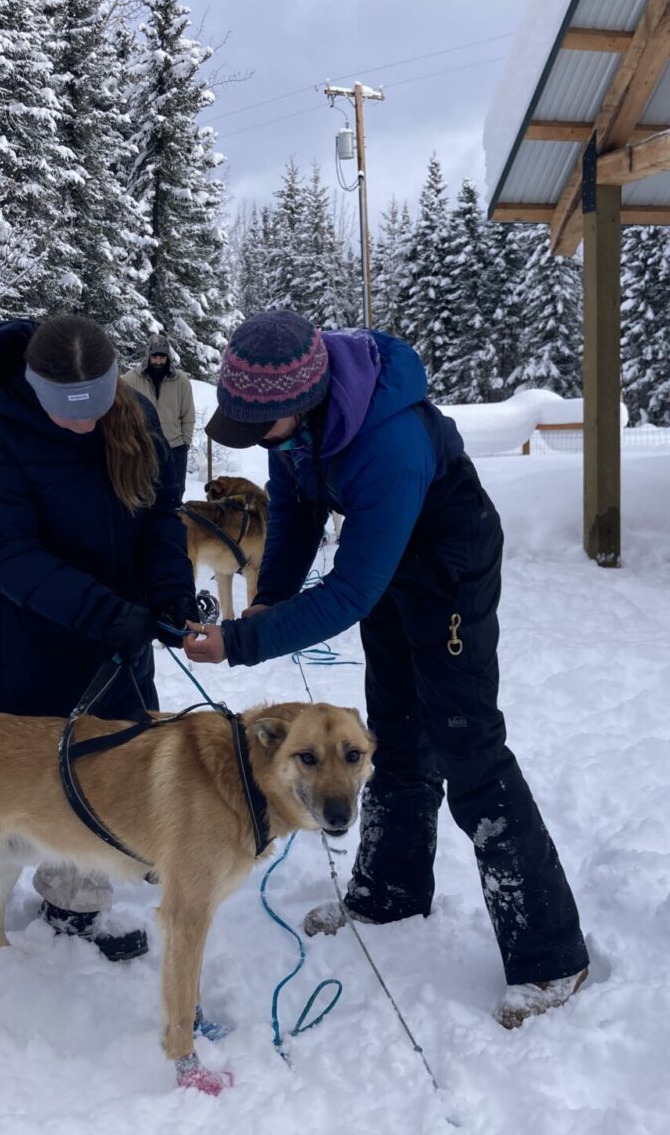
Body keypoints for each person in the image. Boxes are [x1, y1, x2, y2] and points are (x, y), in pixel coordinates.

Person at [184, 310, 589, 1027]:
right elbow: (300, 512)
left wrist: (247, 643)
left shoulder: (389, 443)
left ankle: (552, 956)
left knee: (469, 748)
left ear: (300, 402)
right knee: (395, 732)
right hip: (391, 564)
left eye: (259, 426)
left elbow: (349, 592)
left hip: (448, 568)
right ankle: (389, 892)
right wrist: (269, 597)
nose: (254, 439)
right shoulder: (297, 425)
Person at [0, 314, 199, 962]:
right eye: (68, 414)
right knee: (8, 774)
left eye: (94, 410)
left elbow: (160, 519)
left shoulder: (137, 417)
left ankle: (76, 902)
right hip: (31, 635)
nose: (84, 426)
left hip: (117, 635)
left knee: (112, 765)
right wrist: (100, 609)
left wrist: (170, 592)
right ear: (36, 389)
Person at [120, 334, 195, 489]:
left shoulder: (181, 381)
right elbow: (120, 410)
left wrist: (184, 443)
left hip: (174, 448)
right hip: (143, 448)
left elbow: (188, 415)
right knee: (143, 492)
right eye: (155, 357)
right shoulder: (131, 379)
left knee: (175, 494)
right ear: (148, 356)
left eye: (162, 357)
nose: (159, 362)